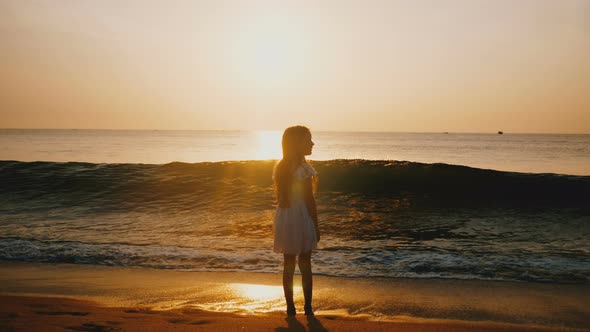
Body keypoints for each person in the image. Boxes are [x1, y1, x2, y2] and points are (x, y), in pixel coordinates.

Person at [272, 125, 320, 316]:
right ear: (297, 144)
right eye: (308, 140)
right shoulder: (303, 169)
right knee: (305, 263)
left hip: (285, 217)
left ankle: (290, 308)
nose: (312, 143)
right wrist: (315, 225)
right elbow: (309, 200)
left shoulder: (281, 167)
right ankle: (308, 308)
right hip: (301, 217)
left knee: (288, 263)